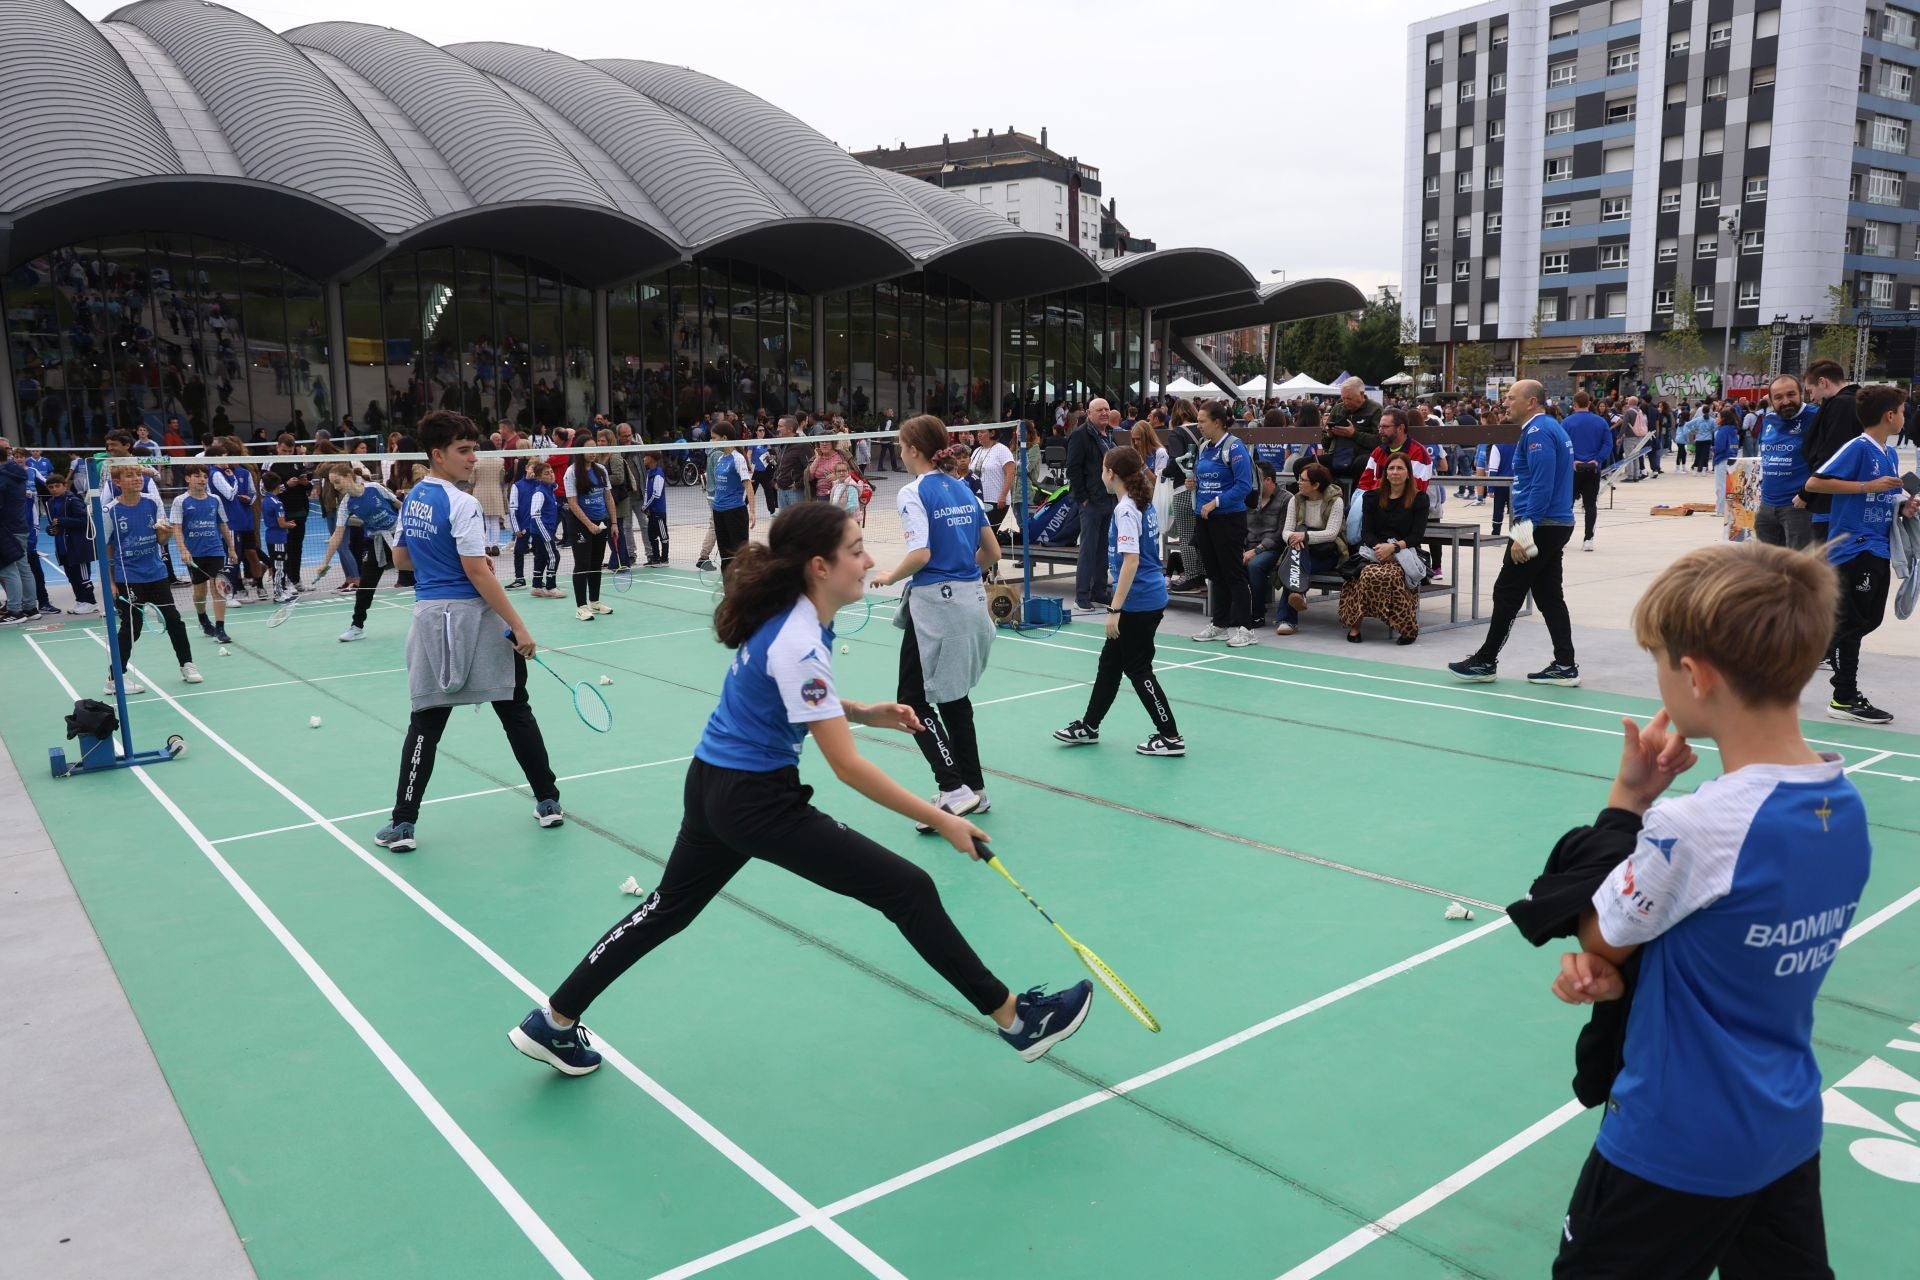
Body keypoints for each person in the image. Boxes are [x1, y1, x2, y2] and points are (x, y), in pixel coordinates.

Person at [508, 500, 1094, 1076]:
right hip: (758, 802)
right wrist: (942, 817)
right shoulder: (800, 641)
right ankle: (1018, 1020)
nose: (868, 562)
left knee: (668, 908)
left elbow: (793, 700)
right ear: (820, 565)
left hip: (712, 784)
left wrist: (862, 710)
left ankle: (553, 1021)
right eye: (856, 551)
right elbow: (847, 767)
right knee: (908, 889)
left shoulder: (790, 619)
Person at [1539, 540, 1869, 1280]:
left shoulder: (1695, 827)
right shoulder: (1842, 807)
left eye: (1660, 663)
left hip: (1672, 1143)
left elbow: (1602, 933)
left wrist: (1626, 800)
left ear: (1695, 674)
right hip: (1782, 1125)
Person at [374, 411, 562, 853]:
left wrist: (444, 562)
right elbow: (478, 573)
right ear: (437, 455)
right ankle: (548, 801)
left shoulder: (415, 498)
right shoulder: (463, 504)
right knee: (515, 709)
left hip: (429, 618)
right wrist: (519, 626)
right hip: (473, 619)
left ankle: (402, 824)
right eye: (464, 450)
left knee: (426, 721)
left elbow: (401, 559)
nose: (473, 457)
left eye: (473, 448)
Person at [872, 415, 999, 828]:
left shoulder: (914, 492)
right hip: (969, 601)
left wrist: (890, 576)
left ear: (912, 449)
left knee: (912, 700)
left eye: (901, 445)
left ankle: (952, 787)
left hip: (934, 605)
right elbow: (992, 552)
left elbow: (921, 553)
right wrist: (963, 572)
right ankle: (974, 790)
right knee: (955, 697)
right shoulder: (964, 488)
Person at [1052, 446, 1184, 755]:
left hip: (1139, 601)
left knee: (1138, 668)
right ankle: (1089, 726)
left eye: (1102, 468)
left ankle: (1170, 736)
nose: (1101, 473)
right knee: (1110, 664)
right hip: (1147, 595)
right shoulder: (1140, 502)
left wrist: (1115, 608)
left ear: (1110, 474)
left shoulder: (1126, 508)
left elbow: (1131, 562)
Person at [1448, 380, 1578, 685]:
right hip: (1551, 523)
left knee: (1507, 590)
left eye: (1511, 397)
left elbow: (1541, 486)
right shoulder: (1546, 429)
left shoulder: (1538, 433)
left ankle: (1486, 661)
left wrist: (1523, 532)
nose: (1505, 402)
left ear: (1531, 402)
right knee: (1548, 594)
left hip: (1541, 525)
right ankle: (1565, 664)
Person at [1805, 383, 1918, 724]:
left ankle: (1809, 654)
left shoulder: (1891, 453)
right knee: (1852, 622)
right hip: (1854, 548)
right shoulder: (1858, 447)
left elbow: (1883, 497)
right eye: (1901, 412)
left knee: (1868, 620)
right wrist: (1864, 486)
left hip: (1879, 546)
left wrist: (1904, 507)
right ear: (1890, 415)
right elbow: (1815, 483)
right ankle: (1844, 695)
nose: (1904, 417)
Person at [99, 461, 201, 691]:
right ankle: (114, 679)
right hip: (129, 577)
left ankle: (187, 664)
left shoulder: (153, 502)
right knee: (131, 627)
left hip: (156, 573)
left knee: (174, 620)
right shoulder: (110, 511)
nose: (137, 478)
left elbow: (161, 541)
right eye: (129, 475)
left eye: (138, 474)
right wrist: (111, 582)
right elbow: (106, 550)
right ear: (117, 483)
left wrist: (164, 535)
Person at [1186, 400, 1256, 646]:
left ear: (1217, 422)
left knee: (1233, 573)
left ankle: (1246, 627)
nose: (1199, 426)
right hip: (1205, 519)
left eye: (1202, 421)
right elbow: (1205, 477)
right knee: (1215, 573)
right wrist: (1194, 484)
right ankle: (1220, 622)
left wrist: (1216, 502)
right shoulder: (1205, 447)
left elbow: (1244, 486)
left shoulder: (1234, 448)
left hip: (1228, 519)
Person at [1340, 454, 1429, 645]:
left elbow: (1416, 536)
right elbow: (1367, 533)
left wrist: (1394, 548)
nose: (1395, 472)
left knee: (1392, 576)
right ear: (1385, 473)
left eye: (1400, 468)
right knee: (1364, 574)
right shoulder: (1371, 497)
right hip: (1374, 550)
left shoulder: (1419, 499)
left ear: (1408, 473)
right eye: (1391, 468)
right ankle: (1356, 626)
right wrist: (1381, 550)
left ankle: (1407, 629)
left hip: (1404, 551)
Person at [313, 466, 402, 641]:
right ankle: (357, 627)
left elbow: (399, 504)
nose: (336, 487)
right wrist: (324, 563)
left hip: (400, 537)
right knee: (365, 586)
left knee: (422, 575)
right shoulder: (346, 504)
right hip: (376, 542)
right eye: (333, 484)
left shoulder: (374, 488)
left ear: (348, 476)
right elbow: (337, 535)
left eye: (337, 482)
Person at [1274, 463, 1345, 636]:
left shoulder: (1336, 501)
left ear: (1316, 485)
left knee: (1295, 563)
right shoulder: (1295, 499)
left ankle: (1287, 620)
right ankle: (1298, 596)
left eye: (1303, 480)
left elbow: (1331, 533)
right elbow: (1286, 531)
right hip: (1300, 549)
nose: (1298, 482)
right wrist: (1294, 538)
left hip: (1327, 551)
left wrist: (1304, 537)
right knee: (1297, 553)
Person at [169, 464, 237, 645]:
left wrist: (231, 548)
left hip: (215, 550)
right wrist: (183, 550)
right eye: (197, 476)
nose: (202, 479)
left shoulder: (215, 500)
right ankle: (203, 619)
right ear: (187, 479)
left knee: (218, 589)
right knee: (200, 592)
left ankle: (220, 628)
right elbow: (176, 528)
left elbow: (223, 524)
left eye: (205, 476)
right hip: (194, 554)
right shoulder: (180, 501)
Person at [1752, 376, 1818, 551]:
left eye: (1791, 394)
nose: (1786, 401)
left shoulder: (1816, 418)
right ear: (1771, 400)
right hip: (1767, 505)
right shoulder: (1769, 420)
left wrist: (1807, 495)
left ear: (1801, 393)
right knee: (1770, 567)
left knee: (1799, 568)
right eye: (1779, 397)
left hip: (1798, 506)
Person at [1800, 360, 1860, 546]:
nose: (1812, 398)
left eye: (1811, 391)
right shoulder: (1853, 401)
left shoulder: (1841, 405)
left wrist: (1806, 493)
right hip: (1838, 497)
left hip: (1831, 500)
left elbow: (1831, 454)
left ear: (1823, 382)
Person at [1067, 397, 1115, 611]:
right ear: (1089, 413)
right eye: (1100, 410)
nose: (1104, 413)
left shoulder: (1111, 433)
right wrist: (1083, 498)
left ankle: (1099, 591)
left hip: (1109, 499)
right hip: (1091, 501)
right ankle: (1082, 596)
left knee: (1103, 548)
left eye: (1107, 409)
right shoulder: (1080, 435)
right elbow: (1073, 469)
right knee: (1088, 549)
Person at [564, 446, 614, 621]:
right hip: (580, 524)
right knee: (582, 564)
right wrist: (589, 524)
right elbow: (572, 503)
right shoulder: (571, 472)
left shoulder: (600, 470)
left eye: (595, 448)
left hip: (601, 522)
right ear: (580, 450)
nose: (593, 452)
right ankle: (581, 607)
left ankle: (595, 601)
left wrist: (613, 522)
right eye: (589, 448)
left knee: (596, 563)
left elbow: (608, 497)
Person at [1561, 392, 1612, 551]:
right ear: (1590, 403)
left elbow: (1562, 444)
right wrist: (1597, 459)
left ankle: (1563, 537)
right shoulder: (1601, 422)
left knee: (1566, 504)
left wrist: (1572, 459)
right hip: (1593, 468)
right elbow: (1608, 444)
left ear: (1574, 404)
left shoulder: (1566, 422)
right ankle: (1588, 538)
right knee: (1590, 505)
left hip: (1573, 469)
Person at [1241, 461, 1290, 628]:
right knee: (1227, 560)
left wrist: (1256, 550)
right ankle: (1234, 612)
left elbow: (1280, 534)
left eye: (1256, 479)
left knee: (1255, 565)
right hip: (1248, 546)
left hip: (1272, 548)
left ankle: (1257, 614)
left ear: (1268, 480)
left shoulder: (1286, 499)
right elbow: (1241, 527)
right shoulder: (1249, 498)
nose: (1251, 483)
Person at [44, 472, 98, 615]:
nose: (54, 489)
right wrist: (50, 529)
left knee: (83, 576)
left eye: (57, 486)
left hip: (78, 546)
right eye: (50, 487)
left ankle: (91, 602)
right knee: (72, 576)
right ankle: (80, 601)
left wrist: (62, 521)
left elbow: (84, 520)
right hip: (63, 546)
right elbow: (53, 524)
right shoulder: (49, 502)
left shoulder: (73, 500)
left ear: (65, 486)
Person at [708, 422, 756, 575]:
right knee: (725, 557)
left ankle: (745, 591)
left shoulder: (738, 458)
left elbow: (748, 485)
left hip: (734, 511)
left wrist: (752, 511)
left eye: (714, 438)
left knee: (741, 556)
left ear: (724, 438)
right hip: (719, 511)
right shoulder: (721, 458)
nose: (712, 442)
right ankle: (728, 592)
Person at [1321, 376, 1382, 492]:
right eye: (1343, 398)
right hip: (1337, 455)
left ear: (1361, 394)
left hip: (1360, 456)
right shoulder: (1338, 408)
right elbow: (1325, 445)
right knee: (1302, 464)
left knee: (1362, 463)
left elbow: (1379, 442)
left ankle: (1355, 502)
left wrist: (1354, 435)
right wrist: (1329, 435)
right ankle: (1324, 501)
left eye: (1349, 398)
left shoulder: (1375, 409)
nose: (1345, 402)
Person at [972, 425, 1016, 530]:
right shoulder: (977, 450)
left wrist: (1003, 495)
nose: (979, 434)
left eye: (982, 432)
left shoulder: (1002, 450)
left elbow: (1010, 473)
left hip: (996, 501)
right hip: (978, 500)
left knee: (989, 534)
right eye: (978, 432)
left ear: (992, 433)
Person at [259, 470, 294, 601]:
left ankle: (281, 590)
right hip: (278, 537)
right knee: (279, 566)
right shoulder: (277, 503)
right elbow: (281, 523)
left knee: (278, 565)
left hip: (270, 535)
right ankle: (278, 594)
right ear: (277, 486)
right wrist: (289, 525)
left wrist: (284, 523)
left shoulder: (266, 500)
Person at [1711, 409, 1741, 520]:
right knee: (1729, 486)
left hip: (1722, 459)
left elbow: (1719, 447)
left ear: (1723, 418)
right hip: (1732, 459)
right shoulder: (1733, 430)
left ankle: (1720, 510)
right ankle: (1727, 508)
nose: (1716, 419)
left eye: (1717, 416)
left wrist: (1712, 449)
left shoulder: (1722, 431)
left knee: (1721, 486)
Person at [641, 451, 669, 566]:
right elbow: (647, 492)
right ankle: (655, 557)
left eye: (645, 456)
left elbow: (656, 495)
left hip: (659, 512)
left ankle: (664, 558)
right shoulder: (649, 473)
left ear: (652, 458)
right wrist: (645, 507)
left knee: (663, 536)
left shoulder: (659, 474)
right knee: (651, 536)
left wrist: (646, 507)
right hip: (651, 511)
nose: (644, 458)